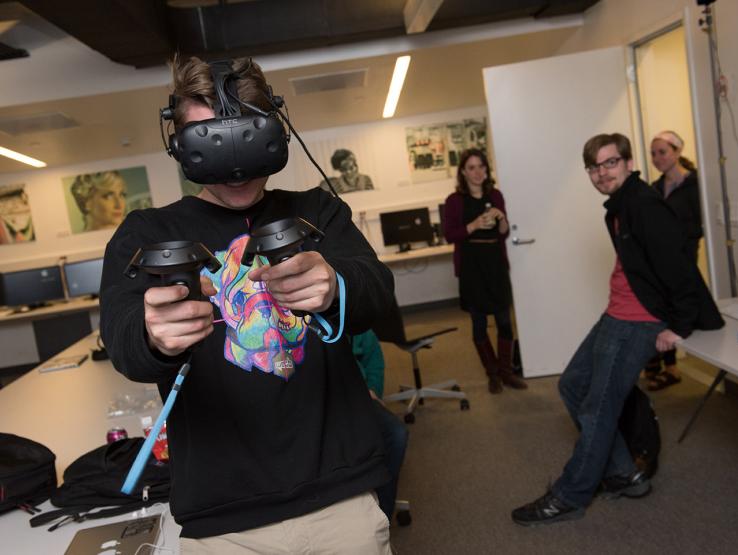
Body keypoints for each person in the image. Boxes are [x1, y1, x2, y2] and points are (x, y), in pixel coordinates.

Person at [100, 56, 395, 553]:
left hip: (339, 497)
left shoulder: (317, 211)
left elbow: (377, 291)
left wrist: (334, 284)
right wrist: (154, 334)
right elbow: (125, 340)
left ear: (274, 133)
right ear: (178, 142)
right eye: (208, 141)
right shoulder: (148, 232)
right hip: (223, 519)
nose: (234, 167)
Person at [511, 133, 723, 526]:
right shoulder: (620, 206)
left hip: (639, 318)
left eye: (610, 163)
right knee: (573, 384)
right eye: (594, 167)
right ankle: (624, 473)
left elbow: (678, 266)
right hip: (620, 311)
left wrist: (677, 327)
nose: (602, 173)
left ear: (627, 162)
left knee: (597, 407)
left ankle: (569, 495)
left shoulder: (643, 205)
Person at [443, 148, 527, 394]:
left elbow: (504, 232)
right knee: (479, 324)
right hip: (471, 268)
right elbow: (450, 235)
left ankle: (507, 371)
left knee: (504, 321)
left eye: (481, 166)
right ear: (463, 172)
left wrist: (501, 218)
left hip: (495, 265)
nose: (477, 172)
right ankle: (492, 374)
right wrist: (474, 224)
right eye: (471, 167)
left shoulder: (496, 195)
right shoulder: (454, 200)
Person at [644, 130, 703, 391]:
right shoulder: (655, 189)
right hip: (659, 259)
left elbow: (700, 225)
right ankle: (662, 365)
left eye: (662, 152)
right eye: (653, 153)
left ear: (677, 152)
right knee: (659, 308)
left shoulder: (695, 185)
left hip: (683, 258)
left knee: (677, 307)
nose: (657, 158)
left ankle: (671, 367)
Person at [351, 329, 409, 521]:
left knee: (397, 434)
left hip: (361, 394)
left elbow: (374, 360)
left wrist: (373, 389)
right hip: (320, 400)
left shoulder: (352, 319)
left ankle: (383, 515)